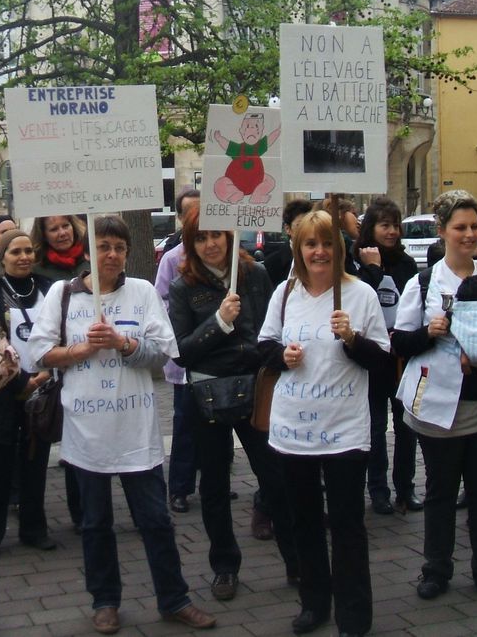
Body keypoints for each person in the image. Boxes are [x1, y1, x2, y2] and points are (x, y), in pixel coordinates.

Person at [27, 215, 217, 635]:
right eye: (104, 246)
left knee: (155, 520)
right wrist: (80, 350)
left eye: (119, 247)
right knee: (95, 522)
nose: (111, 255)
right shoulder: (63, 295)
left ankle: (174, 598)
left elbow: (164, 353)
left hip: (135, 430)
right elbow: (39, 354)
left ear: (128, 253)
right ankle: (105, 600)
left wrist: (124, 343)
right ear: (89, 252)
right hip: (85, 430)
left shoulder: (142, 292)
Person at [257, 210, 390, 637]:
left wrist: (352, 339)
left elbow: (383, 363)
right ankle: (314, 602)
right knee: (304, 520)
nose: (319, 252)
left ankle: (354, 612)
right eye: (310, 244)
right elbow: (264, 345)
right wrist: (282, 356)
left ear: (340, 249)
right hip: (293, 429)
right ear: (298, 249)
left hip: (344, 430)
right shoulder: (285, 293)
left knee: (348, 524)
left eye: (328, 243)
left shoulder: (361, 295)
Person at [392, 190, 477, 603]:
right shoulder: (424, 281)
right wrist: (427, 333)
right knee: (440, 491)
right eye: (460, 228)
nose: (469, 235)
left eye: (474, 227)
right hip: (439, 408)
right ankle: (436, 569)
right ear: (442, 231)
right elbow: (399, 341)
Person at [168, 206, 298, 601]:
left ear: (230, 236)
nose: (210, 245)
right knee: (214, 484)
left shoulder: (254, 274)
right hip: (208, 396)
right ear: (191, 244)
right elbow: (181, 353)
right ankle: (224, 566)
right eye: (201, 238)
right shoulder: (183, 286)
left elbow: (270, 329)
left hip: (254, 388)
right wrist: (219, 322)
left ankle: (297, 561)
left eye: (216, 236)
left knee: (275, 478)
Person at [0, 229, 56, 555]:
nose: (24, 257)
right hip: (5, 389)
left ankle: (34, 527)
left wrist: (42, 376)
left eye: (28, 251)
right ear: (2, 257)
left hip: (43, 385)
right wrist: (20, 379)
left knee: (35, 461)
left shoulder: (49, 289)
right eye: (15, 252)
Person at [353, 197, 422, 516]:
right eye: (385, 225)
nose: (392, 231)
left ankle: (405, 488)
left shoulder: (407, 264)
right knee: (375, 427)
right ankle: (377, 489)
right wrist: (373, 269)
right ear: (371, 228)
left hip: (402, 355)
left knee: (407, 425)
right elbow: (357, 302)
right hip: (372, 357)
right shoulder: (356, 262)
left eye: (395, 225)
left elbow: (414, 306)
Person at [30, 213, 88, 527]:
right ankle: (79, 513)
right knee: (72, 441)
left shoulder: (88, 258)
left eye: (65, 225)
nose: (62, 232)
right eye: (54, 229)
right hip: (60, 361)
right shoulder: (39, 270)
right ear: (44, 234)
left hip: (93, 357)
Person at [154, 189, 201, 515]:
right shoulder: (173, 259)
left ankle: (216, 481)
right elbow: (161, 303)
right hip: (186, 358)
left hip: (217, 361)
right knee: (185, 426)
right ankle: (180, 488)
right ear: (182, 219)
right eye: (192, 213)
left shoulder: (223, 254)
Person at [263, 198, 315, 287]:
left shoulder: (323, 258)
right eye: (300, 225)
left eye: (311, 224)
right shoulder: (273, 263)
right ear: (288, 229)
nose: (306, 229)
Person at [31, 214, 87, 282]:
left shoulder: (92, 256)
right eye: (54, 229)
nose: (62, 233)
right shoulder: (36, 269)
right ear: (43, 235)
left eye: (66, 226)